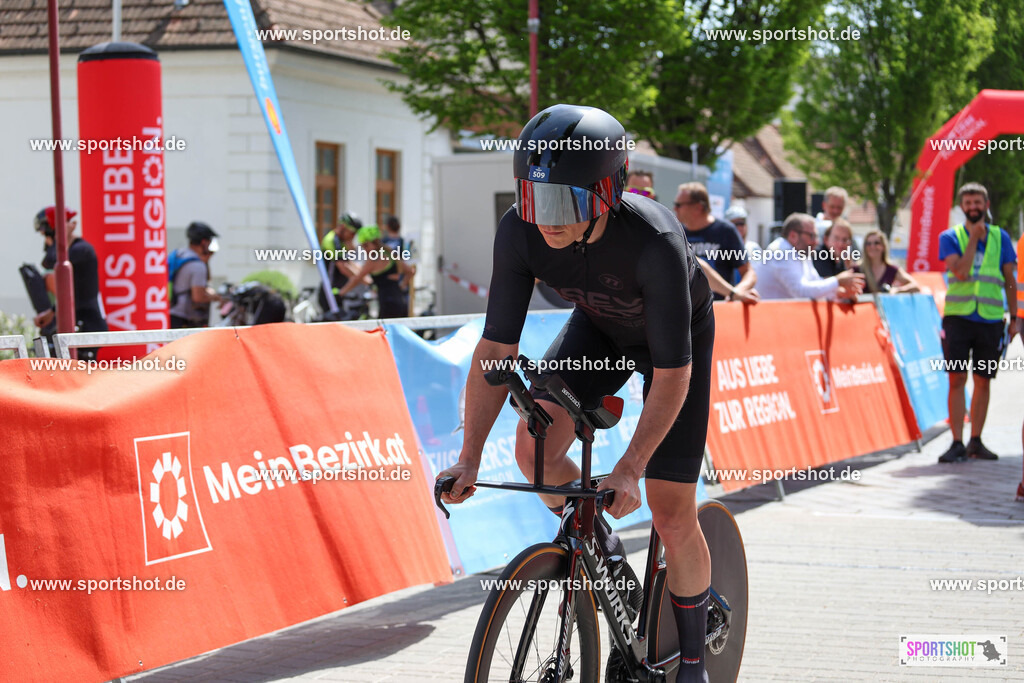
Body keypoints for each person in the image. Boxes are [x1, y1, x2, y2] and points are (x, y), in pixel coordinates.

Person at [437, 104, 716, 682]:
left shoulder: (656, 241)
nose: (547, 219)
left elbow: (672, 375)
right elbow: (496, 350)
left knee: (670, 511)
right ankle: (604, 553)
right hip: (600, 331)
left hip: (672, 347)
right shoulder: (518, 230)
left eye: (564, 203)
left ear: (609, 192)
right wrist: (468, 458)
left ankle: (694, 664)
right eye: (534, 199)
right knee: (534, 452)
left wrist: (630, 469)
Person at [936, 182, 1018, 463]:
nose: (973, 207)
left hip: (990, 320)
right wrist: (973, 239)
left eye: (977, 203)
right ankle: (956, 442)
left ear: (986, 205)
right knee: (957, 378)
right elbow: (960, 272)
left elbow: (1010, 280)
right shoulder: (950, 237)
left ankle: (976, 440)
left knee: (983, 380)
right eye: (968, 203)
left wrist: (1014, 317)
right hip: (958, 318)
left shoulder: (1001, 237)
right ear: (962, 207)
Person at [33, 205, 108, 359]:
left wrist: (59, 237)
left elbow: (51, 260)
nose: (46, 239)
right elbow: (70, 292)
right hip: (76, 323)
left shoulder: (82, 250)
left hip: (88, 324)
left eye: (47, 233)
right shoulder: (69, 252)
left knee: (83, 370)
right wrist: (52, 312)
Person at [674, 182, 756, 300]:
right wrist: (733, 293)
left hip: (719, 307)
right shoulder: (676, 233)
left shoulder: (725, 231)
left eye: (679, 205)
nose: (675, 208)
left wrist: (736, 292)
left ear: (698, 207)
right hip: (686, 308)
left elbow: (748, 272)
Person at [754, 213, 864, 301]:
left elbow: (815, 282)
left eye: (816, 236)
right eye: (812, 236)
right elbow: (801, 292)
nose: (816, 242)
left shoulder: (802, 252)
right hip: (770, 319)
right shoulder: (780, 252)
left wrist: (840, 293)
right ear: (793, 236)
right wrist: (837, 281)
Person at [334, 225, 416, 319]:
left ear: (374, 243)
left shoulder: (374, 259)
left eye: (366, 245)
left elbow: (357, 278)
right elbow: (411, 272)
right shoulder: (390, 253)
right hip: (400, 300)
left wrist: (341, 292)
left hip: (388, 303)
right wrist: (401, 286)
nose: (365, 249)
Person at [168, 221, 222, 329]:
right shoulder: (197, 265)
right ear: (204, 242)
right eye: (209, 242)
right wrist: (216, 298)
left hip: (171, 313)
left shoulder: (180, 254)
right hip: (184, 319)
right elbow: (198, 297)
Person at [318, 212, 363, 312]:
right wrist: (362, 280)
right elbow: (343, 268)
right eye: (352, 233)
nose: (353, 236)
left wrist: (365, 275)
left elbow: (351, 263)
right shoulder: (332, 240)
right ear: (343, 227)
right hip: (330, 293)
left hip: (340, 292)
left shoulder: (342, 241)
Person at [853, 230, 921, 294]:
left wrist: (897, 290)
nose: (872, 246)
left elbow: (915, 285)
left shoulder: (891, 269)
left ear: (883, 246)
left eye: (876, 243)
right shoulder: (857, 269)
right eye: (868, 244)